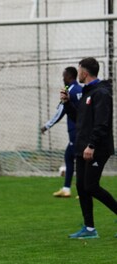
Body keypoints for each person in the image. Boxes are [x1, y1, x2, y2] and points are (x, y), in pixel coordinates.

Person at [60, 57, 117, 239]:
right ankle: (90, 229)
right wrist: (68, 103)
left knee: (91, 186)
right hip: (82, 147)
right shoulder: (87, 93)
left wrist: (91, 145)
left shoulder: (101, 93)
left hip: (97, 148)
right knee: (81, 186)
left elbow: (102, 123)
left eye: (79, 70)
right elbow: (79, 119)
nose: (78, 73)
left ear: (84, 72)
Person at [41, 67, 82, 198]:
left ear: (69, 76)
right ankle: (67, 188)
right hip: (81, 130)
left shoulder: (69, 90)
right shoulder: (80, 90)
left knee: (77, 160)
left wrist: (47, 126)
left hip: (76, 131)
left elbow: (61, 111)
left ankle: (83, 190)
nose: (62, 78)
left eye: (63, 76)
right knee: (70, 157)